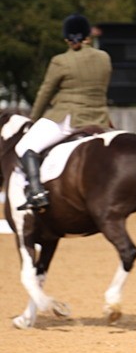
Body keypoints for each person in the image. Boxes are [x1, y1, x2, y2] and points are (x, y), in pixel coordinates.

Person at [15, 14, 113, 211]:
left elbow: (45, 92)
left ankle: (37, 192)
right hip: (100, 119)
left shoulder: (61, 61)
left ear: (67, 38)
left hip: (69, 118)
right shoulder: (104, 58)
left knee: (24, 146)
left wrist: (34, 118)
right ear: (88, 36)